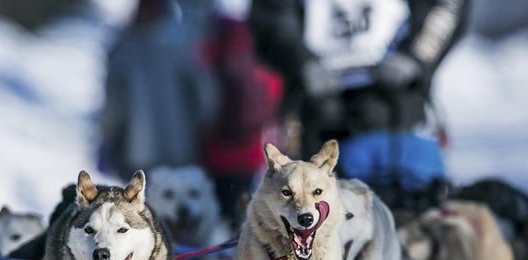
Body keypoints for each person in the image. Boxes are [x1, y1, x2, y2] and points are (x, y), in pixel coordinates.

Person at [249, 0, 470, 209]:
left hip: (398, 110)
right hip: (319, 114)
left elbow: (447, 7)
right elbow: (271, 14)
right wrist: (300, 63)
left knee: (414, 222)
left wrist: (417, 56)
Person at [100, 0, 218, 181]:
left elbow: (114, 105)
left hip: (137, 151)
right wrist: (202, 128)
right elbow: (206, 96)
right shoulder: (184, 45)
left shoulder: (124, 48)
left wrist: (107, 137)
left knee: (143, 205)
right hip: (182, 149)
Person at [200, 9, 284, 227]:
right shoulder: (259, 69)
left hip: (214, 156)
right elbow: (274, 95)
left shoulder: (207, 61)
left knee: (216, 216)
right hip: (250, 156)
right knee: (243, 215)